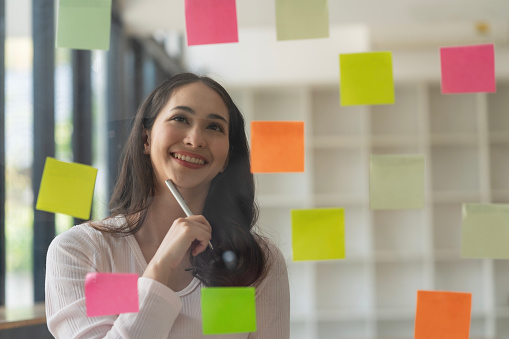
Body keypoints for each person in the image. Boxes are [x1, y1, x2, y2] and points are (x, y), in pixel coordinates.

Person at [45, 73, 290, 338]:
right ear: (146, 139)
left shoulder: (256, 262)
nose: (195, 139)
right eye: (180, 119)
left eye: (215, 127)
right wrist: (160, 268)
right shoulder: (81, 251)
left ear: (228, 157)